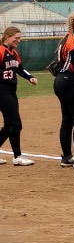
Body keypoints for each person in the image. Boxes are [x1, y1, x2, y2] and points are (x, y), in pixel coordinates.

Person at [52, 12, 74, 167]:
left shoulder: (66, 38)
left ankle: (66, 156)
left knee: (67, 119)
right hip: (70, 81)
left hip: (61, 80)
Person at [0, 27, 38, 165]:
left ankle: (17, 156)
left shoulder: (14, 53)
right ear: (7, 37)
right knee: (16, 123)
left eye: (20, 38)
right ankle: (17, 157)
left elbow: (21, 69)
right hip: (2, 91)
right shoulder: (1, 51)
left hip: (11, 91)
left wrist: (30, 77)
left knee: (9, 124)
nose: (18, 40)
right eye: (16, 38)